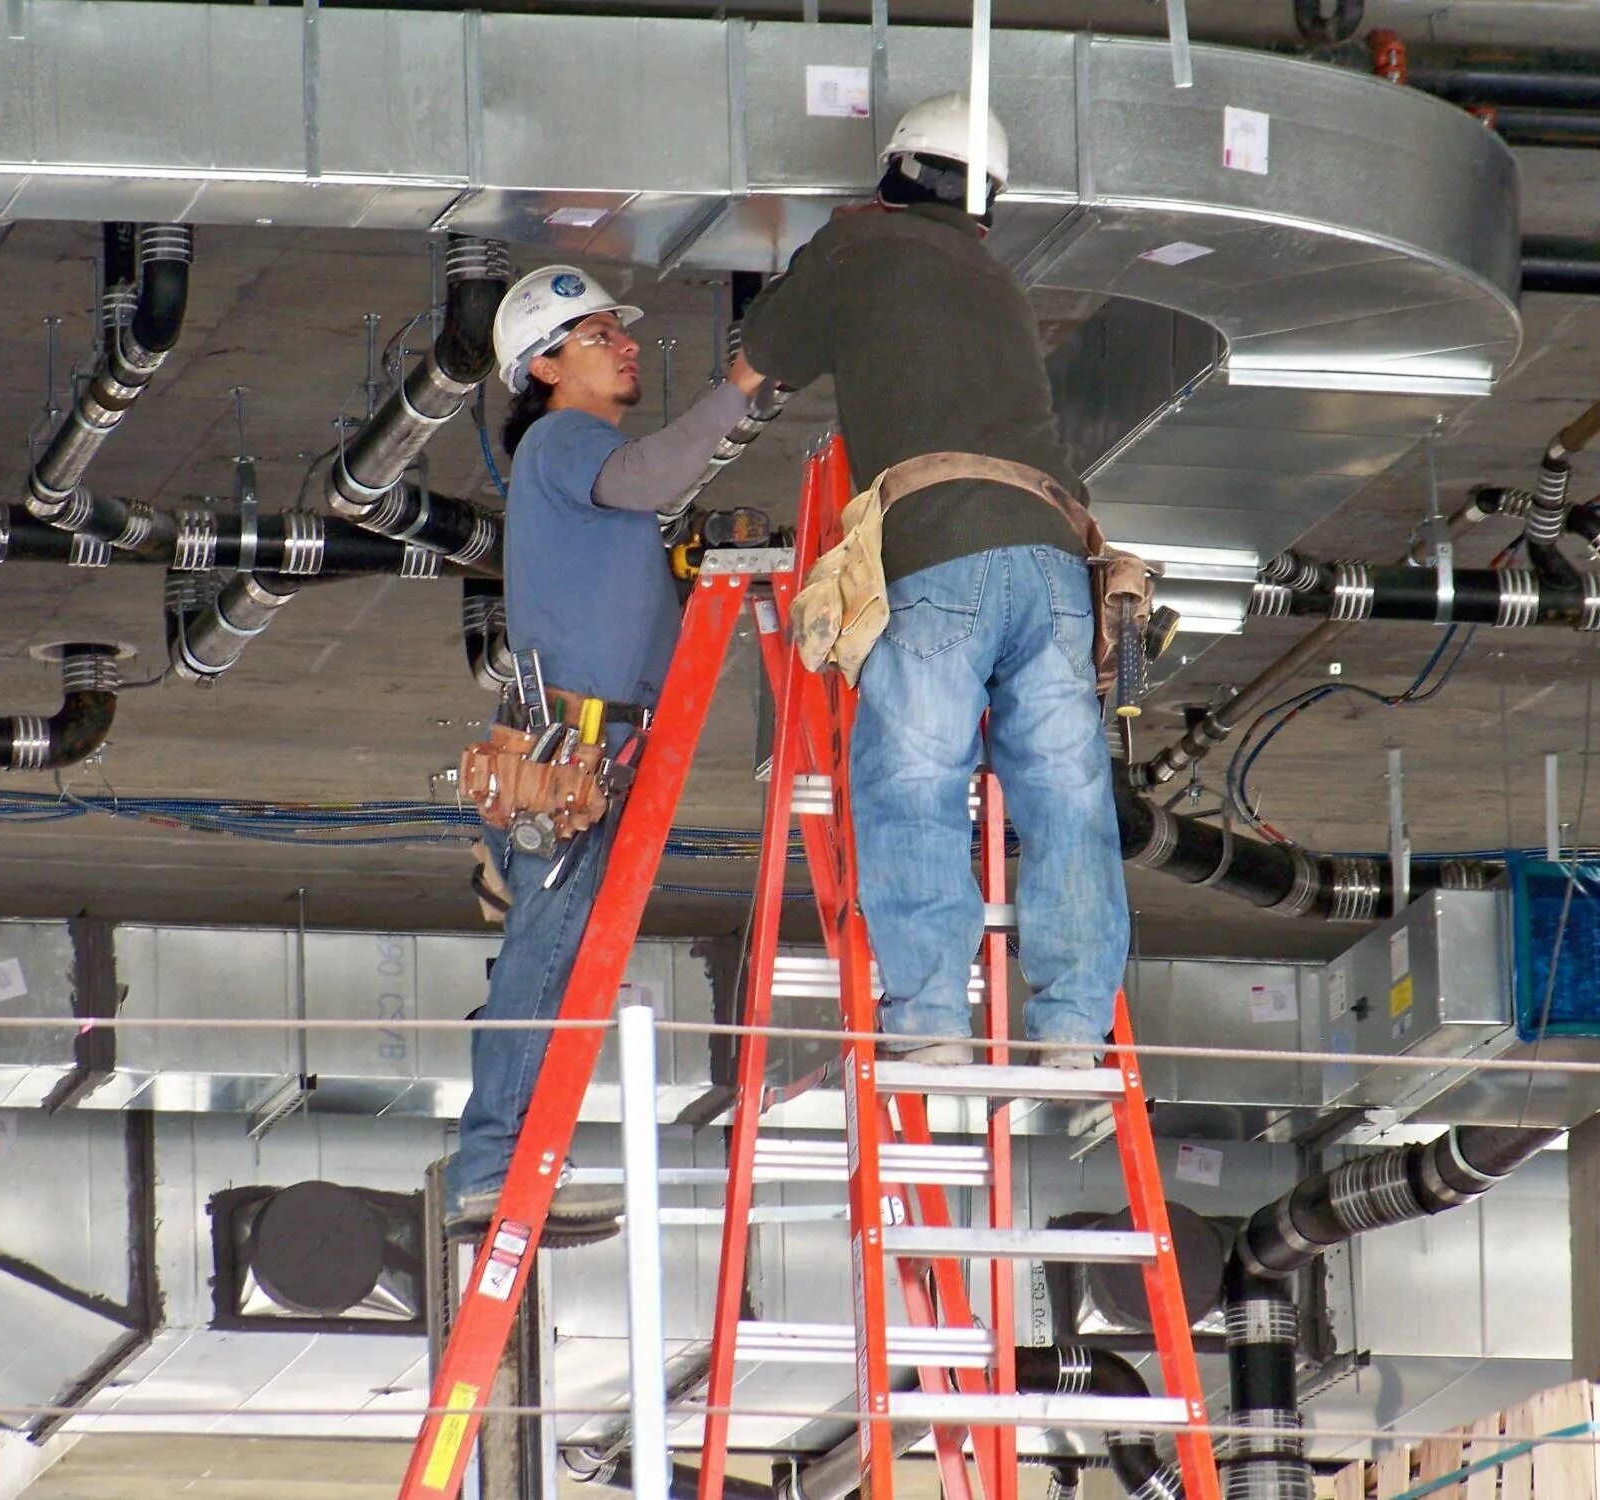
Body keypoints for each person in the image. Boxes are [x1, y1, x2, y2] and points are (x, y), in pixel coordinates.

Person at [739, 93, 1129, 1069]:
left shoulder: (856, 247)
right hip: (1050, 559)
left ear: (892, 170)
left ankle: (927, 1020)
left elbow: (764, 353)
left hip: (940, 551)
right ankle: (1075, 1030)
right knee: (1067, 794)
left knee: (913, 782)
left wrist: (811, 261)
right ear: (986, 202)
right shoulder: (995, 280)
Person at [445, 264, 765, 1245]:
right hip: (577, 752)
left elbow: (637, 517)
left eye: (616, 331)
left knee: (555, 962)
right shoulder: (564, 440)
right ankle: (492, 1170)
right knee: (545, 965)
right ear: (543, 365)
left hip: (586, 749)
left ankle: (506, 1161)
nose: (626, 344)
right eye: (597, 335)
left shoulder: (572, 458)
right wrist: (744, 385)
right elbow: (654, 475)